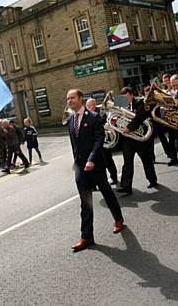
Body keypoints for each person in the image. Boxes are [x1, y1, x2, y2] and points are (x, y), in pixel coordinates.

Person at [66, 89, 123, 252]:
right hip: (80, 168)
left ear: (80, 99)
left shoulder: (93, 117)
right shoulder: (70, 120)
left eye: (72, 98)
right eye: (68, 99)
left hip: (95, 165)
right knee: (85, 202)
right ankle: (87, 236)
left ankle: (118, 219)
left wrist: (91, 159)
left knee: (107, 192)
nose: (69, 101)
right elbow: (74, 145)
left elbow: (99, 139)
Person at [117, 87, 157, 196]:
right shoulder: (121, 103)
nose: (124, 99)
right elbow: (115, 115)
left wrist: (129, 127)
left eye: (125, 97)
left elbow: (140, 117)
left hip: (139, 138)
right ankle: (126, 186)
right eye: (122, 97)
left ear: (131, 94)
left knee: (146, 160)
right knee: (127, 162)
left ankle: (152, 179)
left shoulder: (140, 102)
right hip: (127, 139)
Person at [85, 98, 118, 184]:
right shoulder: (87, 114)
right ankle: (95, 183)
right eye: (87, 106)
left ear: (94, 105)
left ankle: (114, 177)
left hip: (104, 141)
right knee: (94, 162)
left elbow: (102, 122)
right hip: (93, 142)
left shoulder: (101, 112)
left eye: (90, 106)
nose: (88, 108)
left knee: (108, 160)